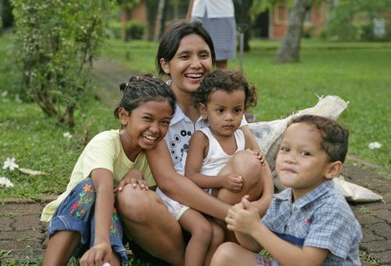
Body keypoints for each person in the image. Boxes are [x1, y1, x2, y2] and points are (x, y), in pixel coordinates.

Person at [116, 20, 273, 265]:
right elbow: (170, 182)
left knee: (248, 162)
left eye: (203, 55)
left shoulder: (223, 102)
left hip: (221, 217)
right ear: (166, 65)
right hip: (171, 218)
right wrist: (233, 214)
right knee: (130, 198)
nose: (196, 64)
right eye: (184, 56)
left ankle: (226, 251)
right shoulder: (157, 105)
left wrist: (266, 200)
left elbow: (258, 157)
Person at [40, 74, 177, 266]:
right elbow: (103, 188)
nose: (155, 129)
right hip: (74, 222)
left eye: (164, 122)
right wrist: (101, 241)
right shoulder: (105, 142)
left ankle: (104, 257)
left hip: (111, 228)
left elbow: (145, 207)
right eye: (147, 118)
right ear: (124, 116)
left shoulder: (151, 156)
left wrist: (136, 176)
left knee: (117, 206)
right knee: (89, 188)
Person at [211, 115, 363, 266]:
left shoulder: (333, 208)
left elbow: (307, 262)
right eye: (285, 149)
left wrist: (256, 228)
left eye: (305, 153)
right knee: (228, 253)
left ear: (331, 169)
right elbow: (254, 246)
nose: (289, 158)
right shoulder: (283, 200)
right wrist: (244, 225)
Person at [185, 69, 263, 205]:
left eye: (237, 110)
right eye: (220, 110)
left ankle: (241, 216)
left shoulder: (242, 136)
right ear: (204, 110)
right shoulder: (202, 138)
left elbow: (254, 165)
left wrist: (258, 158)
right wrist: (222, 181)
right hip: (212, 197)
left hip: (240, 193)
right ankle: (231, 219)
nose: (229, 117)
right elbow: (191, 176)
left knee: (253, 166)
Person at [187, 0, 236, 70]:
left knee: (221, 61)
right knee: (194, 57)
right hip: (198, 13)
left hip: (220, 13)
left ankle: (221, 81)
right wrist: (188, 17)